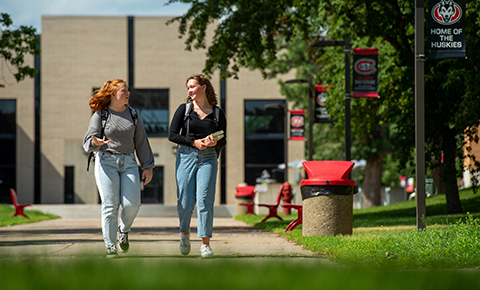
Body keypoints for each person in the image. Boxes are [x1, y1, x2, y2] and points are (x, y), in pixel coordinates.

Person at [83, 79, 154, 258]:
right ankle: (110, 246)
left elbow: (142, 142)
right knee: (110, 205)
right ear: (113, 94)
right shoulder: (100, 115)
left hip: (129, 162)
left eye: (128, 90)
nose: (128, 93)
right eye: (124, 90)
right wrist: (95, 141)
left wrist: (147, 166)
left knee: (133, 205)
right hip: (106, 161)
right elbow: (88, 141)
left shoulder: (134, 115)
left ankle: (123, 229)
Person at [168, 74, 226, 258]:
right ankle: (184, 233)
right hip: (186, 156)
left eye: (192, 86)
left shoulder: (217, 113)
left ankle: (205, 244)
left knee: (205, 200)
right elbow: (172, 135)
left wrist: (213, 142)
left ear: (204, 87)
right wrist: (194, 143)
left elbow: (223, 138)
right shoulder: (184, 110)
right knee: (185, 202)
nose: (190, 90)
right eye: (188, 88)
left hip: (208, 158)